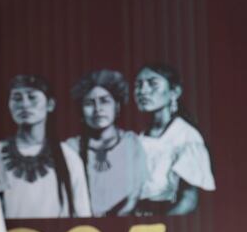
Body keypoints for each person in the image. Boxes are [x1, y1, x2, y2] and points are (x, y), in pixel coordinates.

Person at [0, 74, 91, 218]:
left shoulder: (69, 157)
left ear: (50, 104)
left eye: (32, 97)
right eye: (17, 98)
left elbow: (83, 216)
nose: (24, 104)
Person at [133, 64, 215, 215]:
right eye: (138, 85)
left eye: (153, 84)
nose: (143, 91)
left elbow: (188, 201)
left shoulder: (186, 136)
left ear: (174, 92)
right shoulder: (139, 137)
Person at [65, 69, 147, 216]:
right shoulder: (70, 147)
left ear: (117, 107)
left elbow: (135, 194)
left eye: (104, 101)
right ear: (81, 111)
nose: (98, 109)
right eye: (90, 103)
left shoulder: (131, 142)